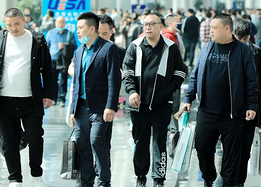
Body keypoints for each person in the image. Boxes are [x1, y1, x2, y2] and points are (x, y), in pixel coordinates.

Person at [183, 13, 258, 187]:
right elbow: (195, 75)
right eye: (210, 28)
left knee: (232, 155)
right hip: (206, 111)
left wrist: (252, 105)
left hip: (232, 114)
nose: (211, 31)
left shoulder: (243, 51)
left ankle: (228, 183)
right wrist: (188, 98)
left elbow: (251, 81)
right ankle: (209, 175)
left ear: (227, 29)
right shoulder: (207, 47)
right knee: (201, 147)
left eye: (214, 28)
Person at [0, 8, 54, 186]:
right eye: (9, 25)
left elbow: (47, 69)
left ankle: (36, 173)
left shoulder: (37, 39)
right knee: (9, 141)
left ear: (24, 21)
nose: (13, 28)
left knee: (35, 137)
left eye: (16, 24)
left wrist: (48, 94)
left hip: (31, 100)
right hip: (4, 100)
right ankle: (14, 177)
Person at [123, 13, 187, 187]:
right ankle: (141, 177)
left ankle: (159, 178)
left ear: (161, 26)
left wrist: (169, 89)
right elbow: (127, 71)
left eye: (152, 24)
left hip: (162, 106)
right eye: (145, 25)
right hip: (138, 105)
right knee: (140, 142)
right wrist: (132, 92)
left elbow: (181, 71)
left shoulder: (170, 47)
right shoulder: (135, 46)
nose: (148, 27)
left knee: (160, 142)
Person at [70, 12, 122, 187]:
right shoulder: (79, 51)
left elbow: (113, 79)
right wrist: (72, 110)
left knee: (96, 141)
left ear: (92, 29)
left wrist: (111, 107)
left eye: (80, 28)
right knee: (82, 144)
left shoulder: (108, 49)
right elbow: (76, 83)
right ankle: (86, 181)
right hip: (81, 108)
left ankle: (104, 181)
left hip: (100, 107)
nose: (77, 31)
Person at [232, 19, 261, 187]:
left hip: (250, 108)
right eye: (241, 39)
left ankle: (239, 182)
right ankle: (229, 178)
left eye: (246, 39)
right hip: (230, 109)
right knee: (231, 148)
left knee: (245, 149)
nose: (244, 43)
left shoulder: (256, 52)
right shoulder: (226, 50)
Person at [161, 14, 186, 134]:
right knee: (172, 102)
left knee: (175, 103)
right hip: (171, 75)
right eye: (178, 21)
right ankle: (173, 128)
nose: (180, 23)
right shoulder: (167, 36)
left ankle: (173, 127)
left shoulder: (175, 36)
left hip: (176, 72)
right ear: (170, 23)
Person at [46, 16, 77, 106]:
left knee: (63, 79)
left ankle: (62, 98)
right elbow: (47, 46)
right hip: (53, 59)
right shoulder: (50, 33)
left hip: (64, 60)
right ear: (55, 23)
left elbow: (74, 46)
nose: (60, 24)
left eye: (62, 22)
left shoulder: (69, 34)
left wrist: (64, 45)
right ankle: (54, 98)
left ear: (65, 23)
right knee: (53, 79)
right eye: (59, 22)